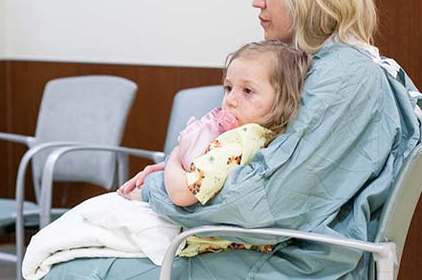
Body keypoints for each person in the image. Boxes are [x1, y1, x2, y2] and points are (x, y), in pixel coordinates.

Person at [42, 0, 422, 280]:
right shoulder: (334, 68)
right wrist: (179, 173)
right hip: (278, 250)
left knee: (67, 269)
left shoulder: (346, 78)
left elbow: (259, 204)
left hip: (291, 264)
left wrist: (157, 190)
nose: (257, 0)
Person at [22, 41, 311, 280]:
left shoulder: (239, 140)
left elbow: (182, 193)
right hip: (210, 236)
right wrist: (163, 169)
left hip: (193, 239)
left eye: (247, 91)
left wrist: (171, 160)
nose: (231, 100)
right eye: (228, 88)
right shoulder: (263, 140)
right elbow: (208, 173)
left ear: (283, 100)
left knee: (94, 215)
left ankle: (38, 259)